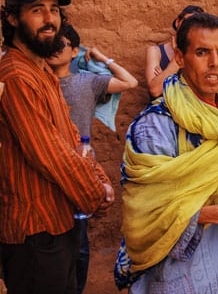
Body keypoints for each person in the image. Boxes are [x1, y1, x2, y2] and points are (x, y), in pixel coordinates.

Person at [115, 12, 218, 293]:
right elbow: (144, 215)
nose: (214, 63)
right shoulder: (156, 124)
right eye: (201, 52)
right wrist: (216, 214)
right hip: (183, 272)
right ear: (180, 59)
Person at [0, 0, 114, 294]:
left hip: (59, 224)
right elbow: (50, 155)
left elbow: (72, 136)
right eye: (37, 10)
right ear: (12, 17)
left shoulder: (42, 72)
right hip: (35, 234)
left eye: (54, 10)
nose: (50, 19)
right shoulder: (16, 75)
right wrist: (96, 195)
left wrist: (100, 180)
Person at [46, 22, 137, 294]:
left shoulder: (88, 82)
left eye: (61, 45)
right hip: (44, 165)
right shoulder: (37, 81)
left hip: (79, 165)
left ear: (74, 51)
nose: (53, 49)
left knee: (79, 240)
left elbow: (129, 82)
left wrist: (100, 57)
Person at [145, 4, 204, 98]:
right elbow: (155, 90)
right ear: (177, 22)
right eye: (186, 22)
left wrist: (164, 78)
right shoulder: (155, 51)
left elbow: (198, 92)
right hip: (161, 111)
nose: (188, 27)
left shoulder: (200, 55)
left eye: (194, 25)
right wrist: (178, 56)